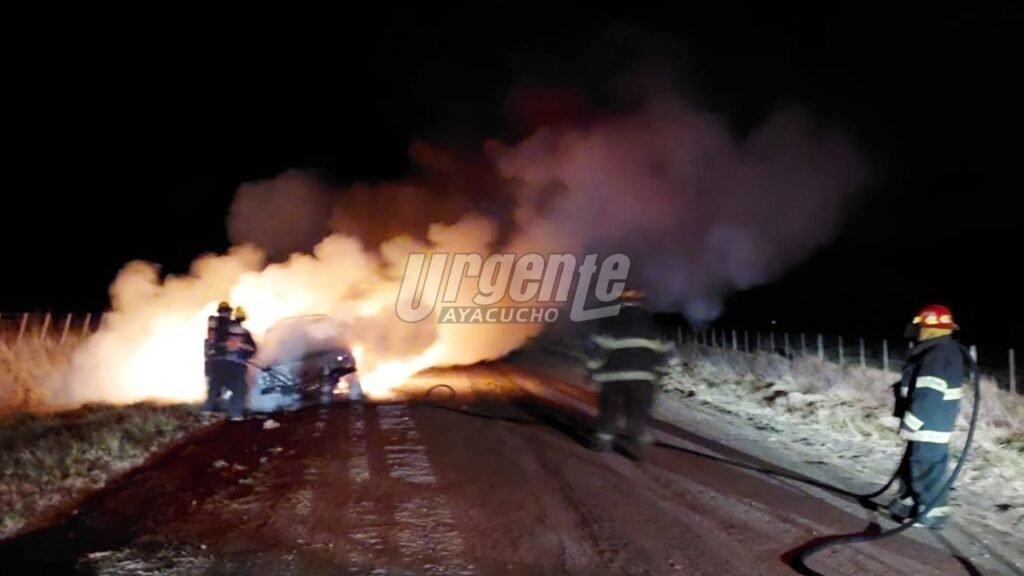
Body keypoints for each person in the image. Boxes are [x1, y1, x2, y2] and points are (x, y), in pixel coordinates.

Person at [887, 304, 969, 530]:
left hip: (929, 423)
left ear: (929, 327)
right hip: (930, 421)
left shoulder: (938, 354)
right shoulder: (938, 351)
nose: (917, 331)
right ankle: (906, 505)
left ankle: (932, 514)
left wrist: (911, 423)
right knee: (913, 465)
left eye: (921, 326)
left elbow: (929, 394)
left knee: (927, 468)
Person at [584, 288, 674, 459]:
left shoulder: (610, 321)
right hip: (643, 378)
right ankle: (638, 440)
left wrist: (592, 370)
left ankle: (603, 442)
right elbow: (665, 351)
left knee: (610, 410)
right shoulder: (653, 323)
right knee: (638, 409)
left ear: (620, 301)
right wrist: (659, 373)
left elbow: (596, 350)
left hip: (613, 377)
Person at [201, 301, 233, 413]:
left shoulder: (224, 324)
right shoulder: (217, 323)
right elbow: (213, 340)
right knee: (217, 382)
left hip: (219, 358)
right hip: (217, 358)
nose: (227, 314)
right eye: (225, 312)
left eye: (227, 311)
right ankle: (213, 405)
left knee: (217, 383)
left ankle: (216, 404)